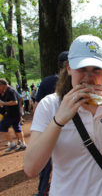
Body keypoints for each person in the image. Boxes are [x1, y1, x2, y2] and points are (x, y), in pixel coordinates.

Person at [24, 35, 102, 196]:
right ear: (68, 69)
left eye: (96, 69)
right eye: (81, 69)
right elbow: (31, 168)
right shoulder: (50, 105)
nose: (89, 77)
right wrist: (59, 120)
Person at [32, 51, 68, 196]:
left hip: (48, 129)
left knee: (46, 165)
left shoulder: (46, 81)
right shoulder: (75, 81)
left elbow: (36, 106)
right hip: (70, 130)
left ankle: (42, 191)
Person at [0, 78, 27, 152]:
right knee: (17, 128)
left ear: (2, 85)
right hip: (14, 113)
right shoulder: (7, 91)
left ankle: (13, 143)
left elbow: (15, 102)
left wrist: (3, 103)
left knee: (2, 127)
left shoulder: (10, 91)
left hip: (13, 114)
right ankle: (23, 144)